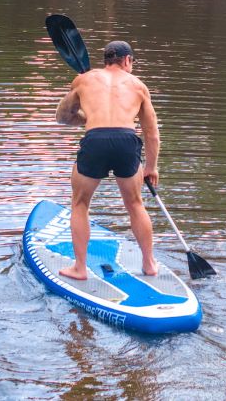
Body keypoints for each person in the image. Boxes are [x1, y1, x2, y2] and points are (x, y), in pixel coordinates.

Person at [54, 40, 160, 280]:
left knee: (80, 204)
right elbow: (151, 132)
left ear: (106, 60)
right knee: (135, 204)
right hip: (126, 140)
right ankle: (149, 264)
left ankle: (80, 268)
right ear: (127, 60)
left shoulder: (84, 79)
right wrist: (151, 168)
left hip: (95, 140)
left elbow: (62, 117)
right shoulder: (139, 86)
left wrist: (90, 117)